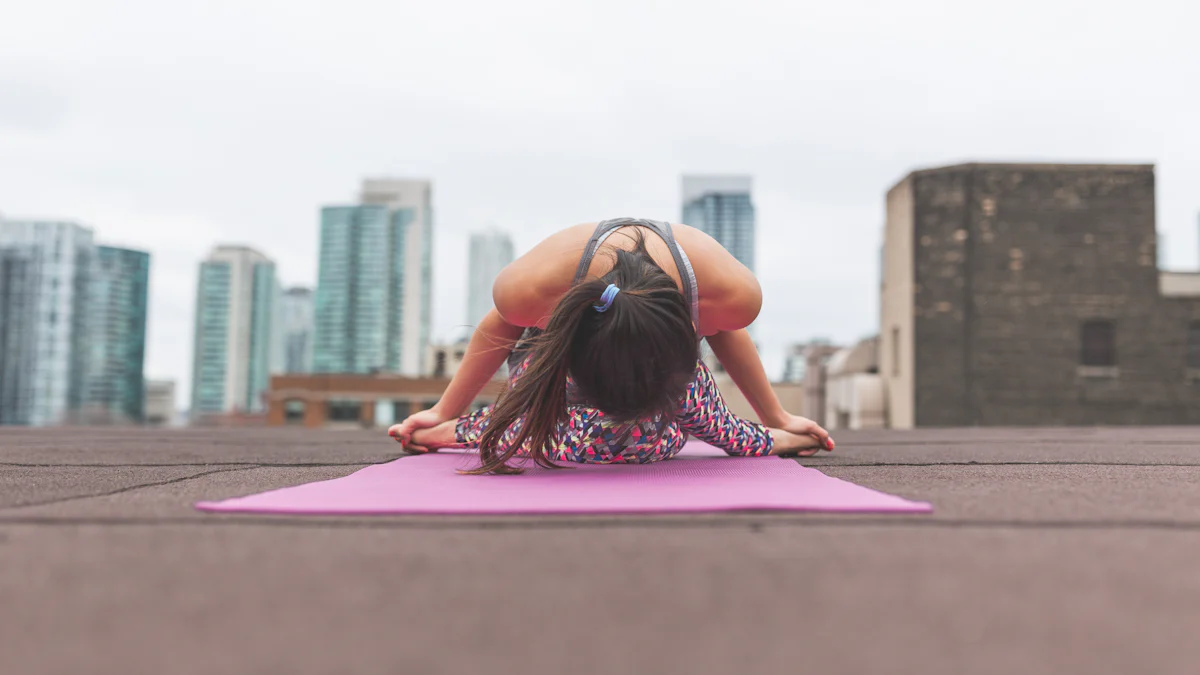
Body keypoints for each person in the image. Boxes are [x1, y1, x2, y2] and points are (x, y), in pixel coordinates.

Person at [388, 217, 834, 474]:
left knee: (639, 436)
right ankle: (474, 428)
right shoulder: (529, 289)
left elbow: (725, 336)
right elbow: (500, 326)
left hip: (663, 367)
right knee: (612, 439)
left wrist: (777, 422)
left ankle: (477, 429)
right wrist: (443, 411)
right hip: (552, 361)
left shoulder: (730, 294)